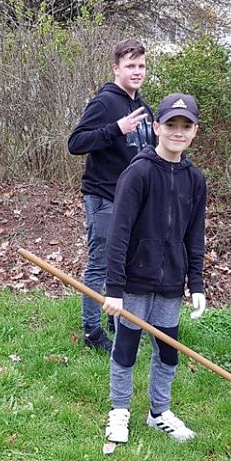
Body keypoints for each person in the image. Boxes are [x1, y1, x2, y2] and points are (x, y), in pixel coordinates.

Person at [101, 93, 208, 444]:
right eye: (171, 125)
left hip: (171, 282)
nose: (178, 132)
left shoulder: (195, 180)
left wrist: (197, 285)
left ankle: (158, 412)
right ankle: (119, 411)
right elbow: (118, 233)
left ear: (194, 131)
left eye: (186, 126)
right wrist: (113, 288)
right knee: (126, 346)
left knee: (167, 351)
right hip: (133, 282)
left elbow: (195, 235)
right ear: (157, 127)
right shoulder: (140, 172)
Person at [67, 39, 156, 352]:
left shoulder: (142, 107)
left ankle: (116, 320)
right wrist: (115, 129)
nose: (136, 71)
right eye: (130, 66)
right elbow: (75, 143)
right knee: (100, 264)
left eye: (141, 66)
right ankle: (92, 332)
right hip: (104, 197)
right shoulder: (105, 103)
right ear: (116, 68)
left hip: (133, 201)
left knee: (126, 265)